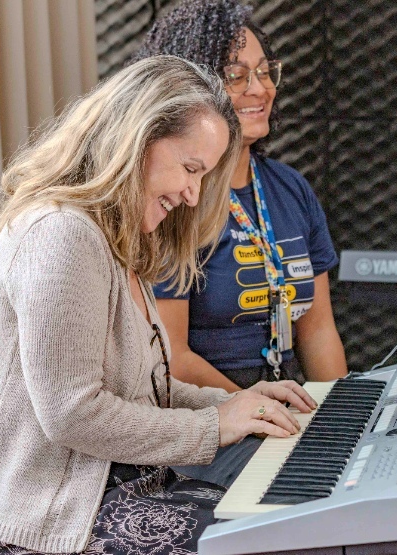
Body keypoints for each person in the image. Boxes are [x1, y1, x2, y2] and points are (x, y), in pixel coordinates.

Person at [0, 55, 317, 554]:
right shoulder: (59, 234)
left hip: (114, 498)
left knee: (285, 523)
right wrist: (214, 425)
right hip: (40, 526)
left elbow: (146, 392)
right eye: (190, 169)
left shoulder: (114, 242)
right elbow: (72, 414)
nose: (191, 195)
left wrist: (239, 406)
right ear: (137, 139)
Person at [132, 0, 348, 489]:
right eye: (236, 74)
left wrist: (336, 421)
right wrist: (255, 412)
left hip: (284, 414)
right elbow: (173, 357)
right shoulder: (173, 201)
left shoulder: (291, 188)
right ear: (193, 88)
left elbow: (317, 331)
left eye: (265, 71)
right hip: (210, 427)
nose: (260, 89)